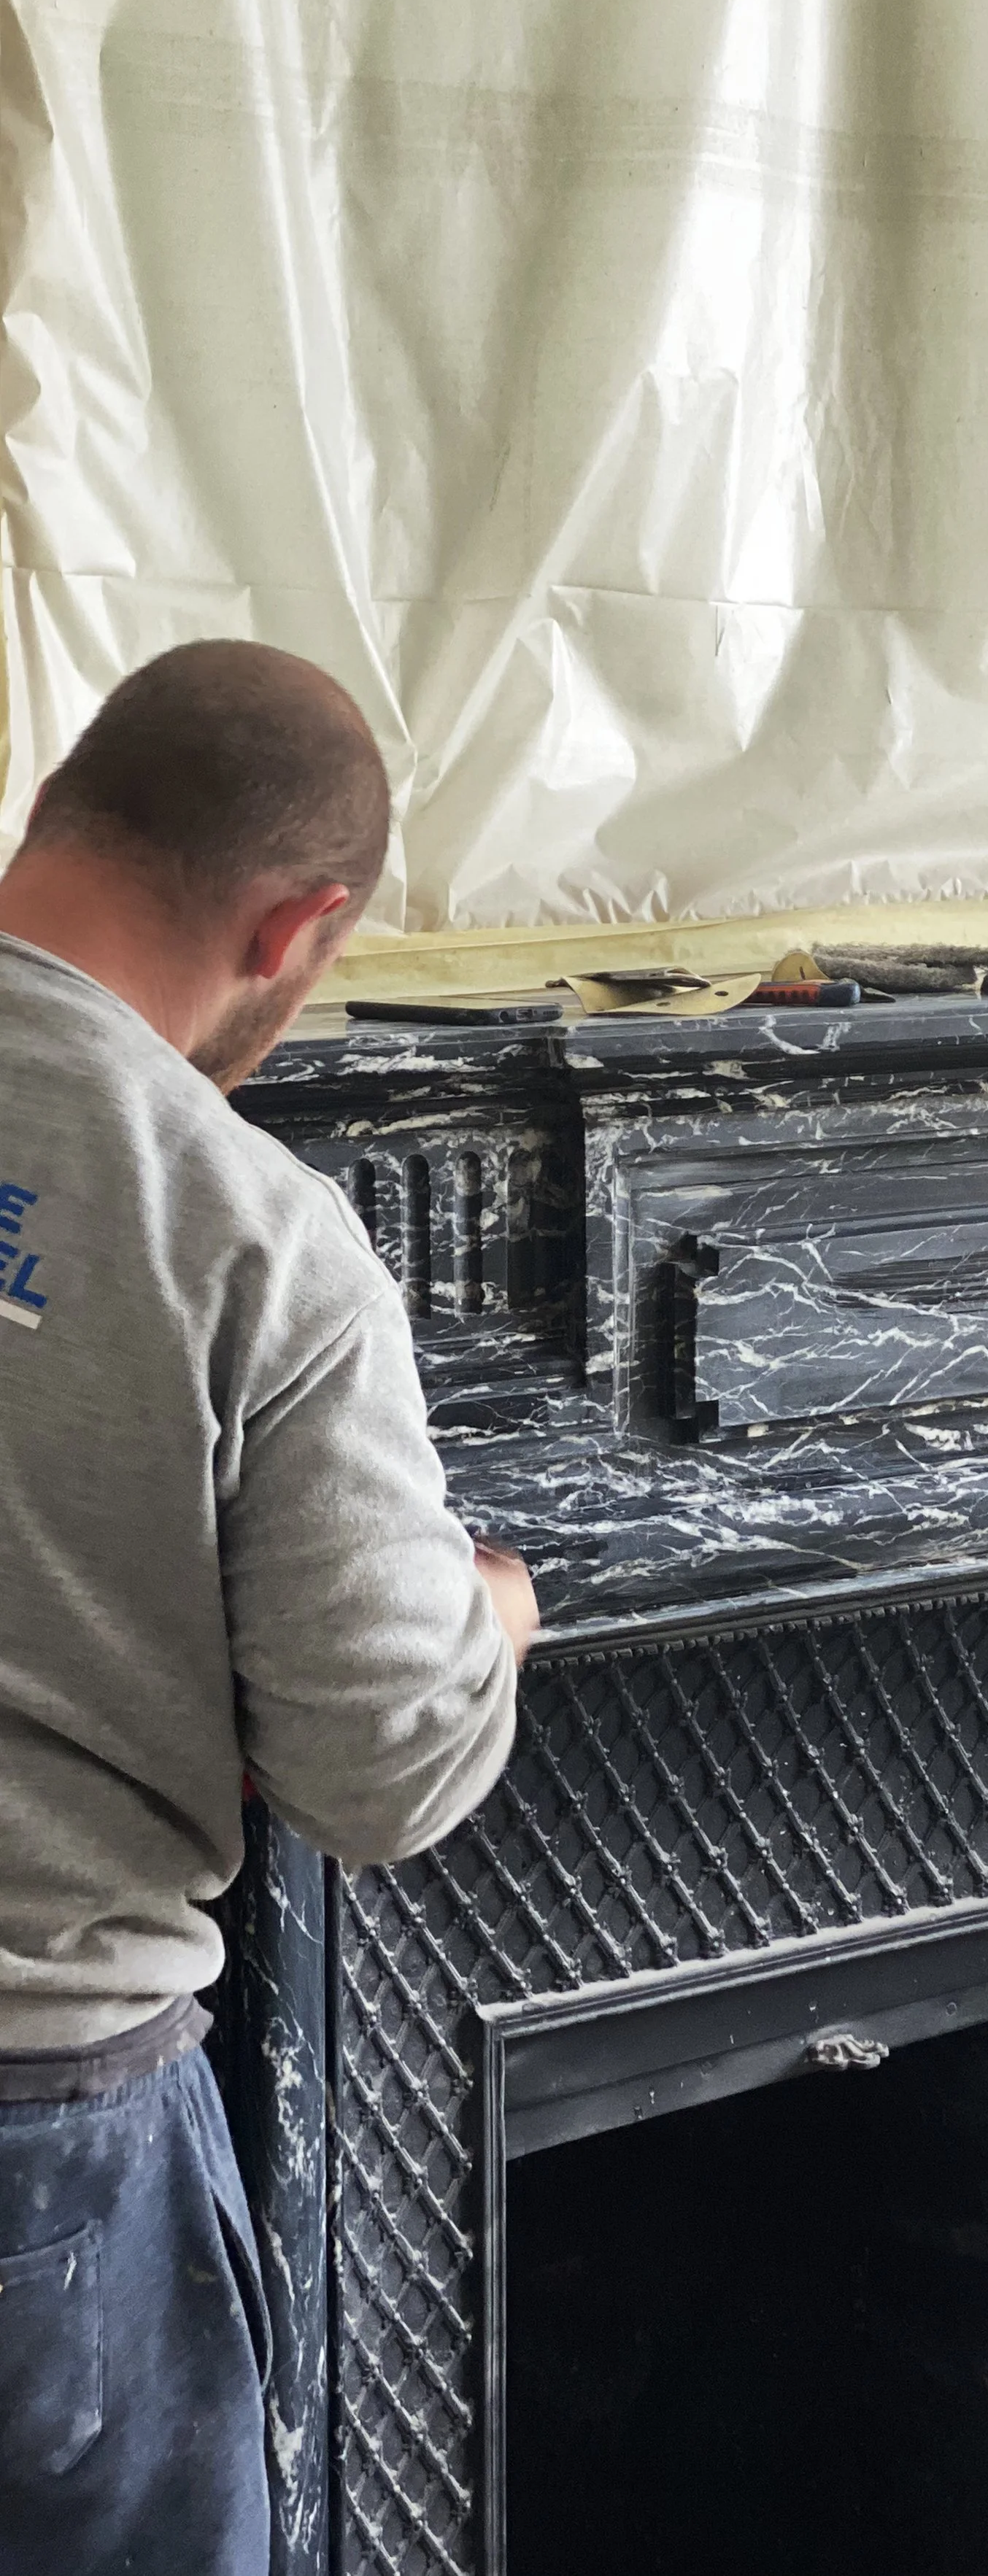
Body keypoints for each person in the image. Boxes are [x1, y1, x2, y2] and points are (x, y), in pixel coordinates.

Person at [0, 641, 539, 2575]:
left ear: (55, 812)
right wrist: (493, 1616)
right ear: (300, 924)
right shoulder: (245, 1228)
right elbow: (384, 1766)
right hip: (43, 2151)